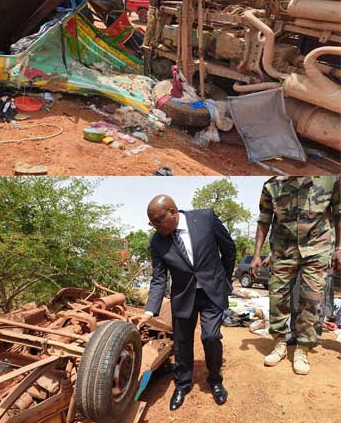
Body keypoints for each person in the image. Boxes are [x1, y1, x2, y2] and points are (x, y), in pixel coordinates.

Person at [132, 195, 235, 411]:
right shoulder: (157, 241)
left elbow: (229, 249)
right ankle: (182, 384)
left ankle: (215, 379)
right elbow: (159, 278)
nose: (156, 227)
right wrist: (149, 311)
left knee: (211, 336)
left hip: (211, 292)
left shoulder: (205, 218)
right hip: (183, 295)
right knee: (182, 342)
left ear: (173, 212)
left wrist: (224, 281)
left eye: (158, 221)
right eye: (152, 223)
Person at [250, 176, 340, 375]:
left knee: (311, 300)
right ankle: (280, 343)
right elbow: (264, 219)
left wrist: (339, 248)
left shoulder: (330, 180)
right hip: (283, 250)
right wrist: (257, 254)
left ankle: (302, 348)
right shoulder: (272, 185)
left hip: (317, 249)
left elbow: (339, 212)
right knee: (277, 297)